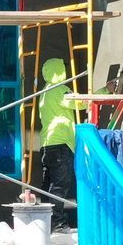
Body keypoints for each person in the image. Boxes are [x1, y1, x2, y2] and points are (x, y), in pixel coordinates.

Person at [35, 57, 79, 226]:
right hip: (61, 144)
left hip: (47, 144)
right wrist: (104, 91)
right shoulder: (60, 90)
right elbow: (79, 103)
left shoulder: (44, 92)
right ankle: (57, 222)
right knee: (60, 185)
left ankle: (46, 221)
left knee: (48, 185)